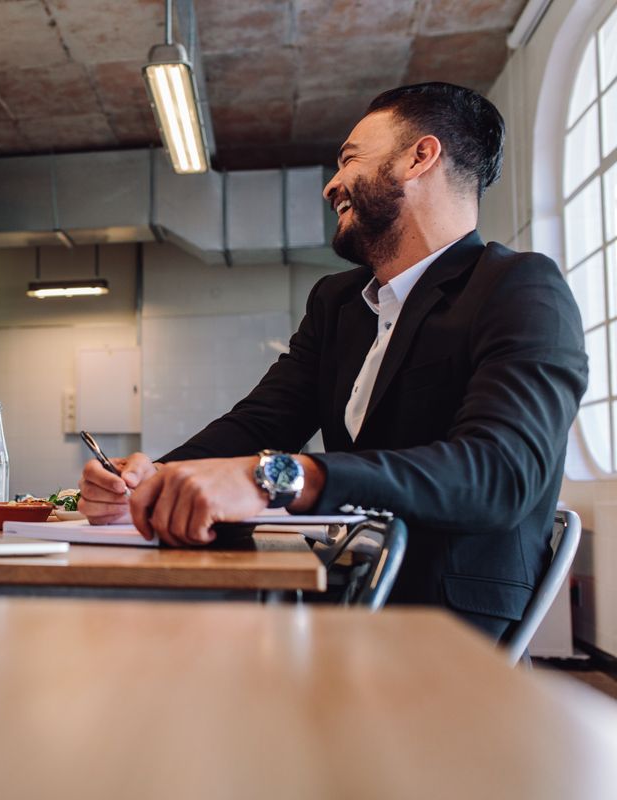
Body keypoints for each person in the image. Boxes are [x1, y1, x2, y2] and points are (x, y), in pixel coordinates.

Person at [78, 82, 588, 641]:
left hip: (448, 618)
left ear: (421, 156)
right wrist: (152, 481)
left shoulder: (518, 288)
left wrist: (280, 477)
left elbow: (500, 474)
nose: (332, 184)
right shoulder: (337, 302)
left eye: (349, 160)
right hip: (346, 585)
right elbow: (261, 423)